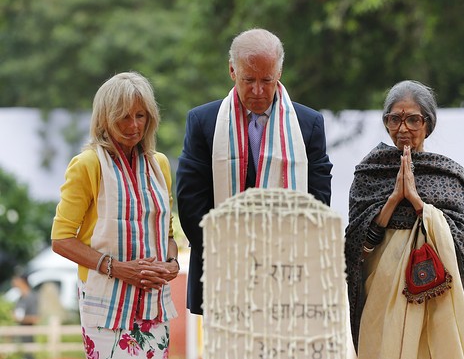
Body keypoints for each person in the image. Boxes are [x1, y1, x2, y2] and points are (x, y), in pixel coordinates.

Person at [176, 28, 333, 315]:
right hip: (220, 271)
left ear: (279, 73)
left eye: (267, 80)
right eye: (249, 80)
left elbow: (318, 200)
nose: (258, 91)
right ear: (232, 71)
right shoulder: (202, 122)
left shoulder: (308, 124)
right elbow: (190, 203)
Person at [345, 80, 464, 359]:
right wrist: (394, 199)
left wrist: (419, 205)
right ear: (386, 123)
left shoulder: (452, 178)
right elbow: (357, 248)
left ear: (428, 124)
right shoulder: (369, 175)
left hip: (439, 304)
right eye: (395, 118)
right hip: (382, 303)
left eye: (413, 120)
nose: (403, 128)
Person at [51, 71, 178, 359]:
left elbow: (167, 233)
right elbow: (60, 239)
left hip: (152, 303)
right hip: (105, 302)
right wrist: (118, 268)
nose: (133, 125)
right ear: (105, 119)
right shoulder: (87, 165)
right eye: (123, 116)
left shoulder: (159, 165)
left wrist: (171, 263)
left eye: (141, 115)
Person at [12, 270, 39, 359]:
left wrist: (20, 319)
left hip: (29, 337)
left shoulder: (31, 297)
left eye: (16, 279)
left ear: (22, 281)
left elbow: (35, 318)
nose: (13, 281)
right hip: (19, 338)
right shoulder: (20, 298)